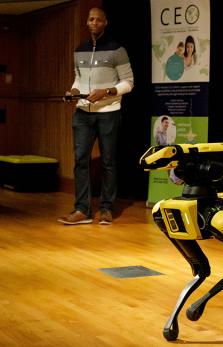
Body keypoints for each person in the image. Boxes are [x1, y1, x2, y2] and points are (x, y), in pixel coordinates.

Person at [58, 7, 134, 225]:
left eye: (99, 20)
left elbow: (128, 83)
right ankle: (82, 210)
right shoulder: (79, 50)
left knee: (108, 161)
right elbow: (77, 80)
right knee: (80, 159)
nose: (94, 22)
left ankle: (106, 208)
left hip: (108, 112)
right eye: (91, 19)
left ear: (105, 23)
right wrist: (72, 91)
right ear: (87, 23)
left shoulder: (116, 49)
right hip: (82, 112)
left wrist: (106, 91)